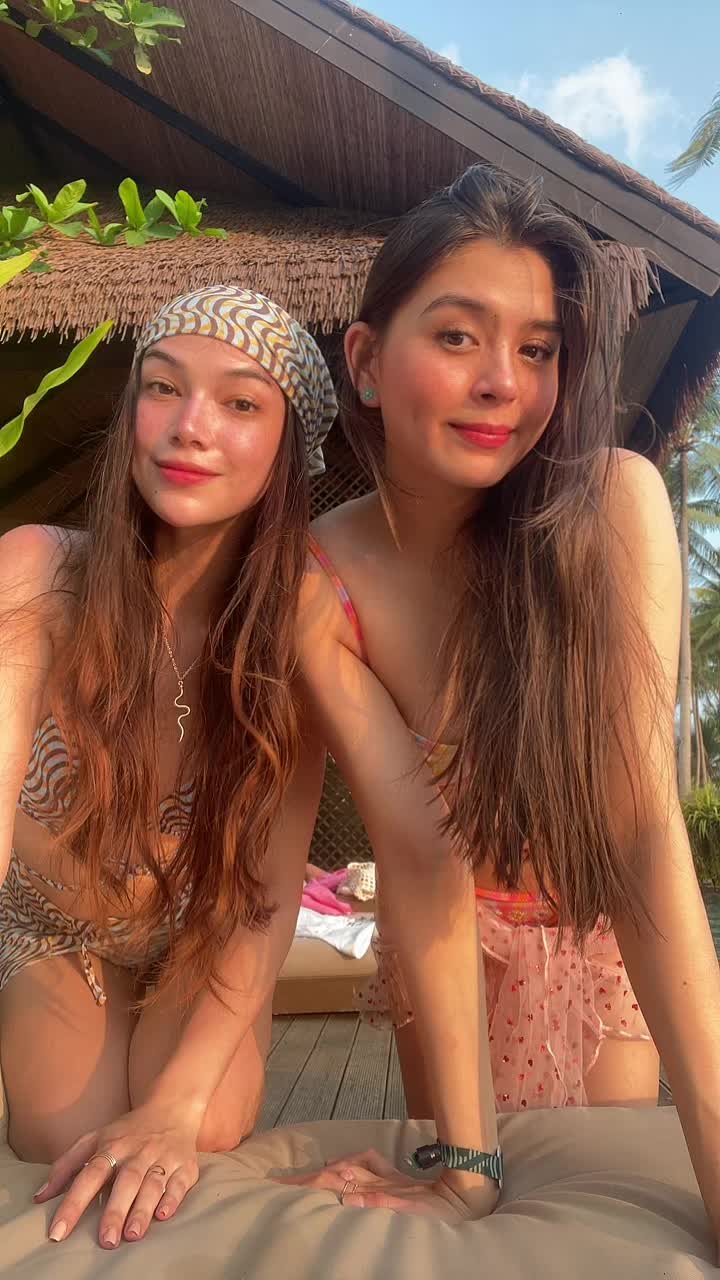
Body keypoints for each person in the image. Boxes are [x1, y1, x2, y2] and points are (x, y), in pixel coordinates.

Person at [293, 166, 720, 1240]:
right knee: (475, 1199)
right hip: (447, 944)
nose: (503, 383)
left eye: (537, 349)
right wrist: (468, 1168)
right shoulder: (322, 579)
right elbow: (420, 851)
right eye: (457, 337)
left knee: (592, 1202)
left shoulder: (609, 505)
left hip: (592, 929)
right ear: (366, 361)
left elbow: (638, 825)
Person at [0, 285, 336, 1248]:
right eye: (162, 388)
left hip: (202, 928)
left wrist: (178, 1109)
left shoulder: (296, 626)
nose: (191, 426)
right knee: (62, 1138)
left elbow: (264, 891)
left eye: (241, 402)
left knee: (203, 1122)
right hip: (52, 921)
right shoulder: (39, 571)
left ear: (287, 448)